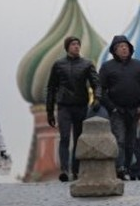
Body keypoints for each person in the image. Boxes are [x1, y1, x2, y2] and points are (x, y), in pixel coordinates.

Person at [46, 35, 101, 182]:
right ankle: (64, 170)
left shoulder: (87, 64)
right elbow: (51, 88)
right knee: (64, 137)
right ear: (67, 48)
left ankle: (76, 170)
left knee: (78, 139)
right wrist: (50, 111)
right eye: (73, 44)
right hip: (64, 106)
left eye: (78, 44)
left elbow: (96, 83)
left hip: (80, 105)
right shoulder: (58, 65)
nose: (76, 46)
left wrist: (97, 98)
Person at [99, 35, 140, 181]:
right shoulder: (107, 67)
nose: (124, 48)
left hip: (134, 110)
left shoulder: (138, 65)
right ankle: (119, 168)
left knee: (131, 141)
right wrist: (112, 108)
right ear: (114, 50)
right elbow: (101, 90)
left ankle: (128, 167)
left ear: (130, 49)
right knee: (120, 140)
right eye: (120, 47)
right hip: (117, 111)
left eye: (126, 46)